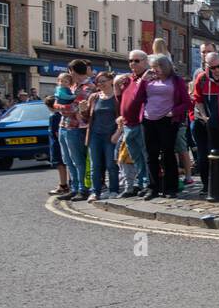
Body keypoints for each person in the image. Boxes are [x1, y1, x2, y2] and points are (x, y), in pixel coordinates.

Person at [135, 54, 192, 200]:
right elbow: (137, 98)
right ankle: (153, 187)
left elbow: (186, 102)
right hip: (148, 119)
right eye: (153, 67)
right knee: (151, 154)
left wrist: (174, 112)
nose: (155, 70)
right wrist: (142, 81)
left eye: (158, 67)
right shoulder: (148, 80)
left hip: (167, 120)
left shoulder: (176, 81)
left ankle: (170, 187)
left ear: (165, 66)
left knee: (168, 154)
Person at [191, 50, 219, 200]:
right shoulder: (202, 79)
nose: (217, 70)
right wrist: (205, 117)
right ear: (207, 66)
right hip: (210, 124)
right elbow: (198, 100)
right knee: (210, 156)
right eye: (213, 68)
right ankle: (211, 187)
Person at [52, 61, 94, 200]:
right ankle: (74, 188)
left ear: (72, 71)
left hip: (76, 128)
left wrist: (59, 107)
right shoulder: (71, 86)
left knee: (78, 160)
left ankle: (83, 189)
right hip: (64, 126)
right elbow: (55, 104)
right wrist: (59, 106)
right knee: (68, 160)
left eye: (69, 72)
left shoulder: (87, 87)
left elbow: (74, 108)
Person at [115, 50, 151, 197]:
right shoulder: (128, 79)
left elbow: (138, 98)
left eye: (136, 60)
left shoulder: (149, 77)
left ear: (145, 61)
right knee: (135, 157)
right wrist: (116, 86)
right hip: (128, 124)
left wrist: (141, 81)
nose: (132, 64)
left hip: (142, 123)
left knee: (145, 155)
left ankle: (148, 183)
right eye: (130, 61)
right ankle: (140, 183)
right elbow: (120, 100)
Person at [83, 72, 120, 201]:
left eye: (103, 81)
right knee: (95, 165)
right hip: (95, 135)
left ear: (111, 81)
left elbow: (121, 117)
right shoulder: (94, 97)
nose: (101, 84)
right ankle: (95, 192)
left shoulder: (117, 97)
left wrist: (118, 132)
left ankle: (114, 190)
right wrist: (83, 110)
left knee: (111, 164)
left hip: (111, 136)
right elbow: (87, 117)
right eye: (98, 82)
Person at [44, 94, 69, 197]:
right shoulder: (61, 115)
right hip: (61, 143)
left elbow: (56, 133)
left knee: (60, 164)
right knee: (65, 164)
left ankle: (63, 185)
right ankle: (68, 184)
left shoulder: (54, 116)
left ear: (49, 106)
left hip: (57, 143)